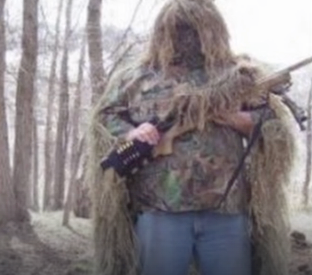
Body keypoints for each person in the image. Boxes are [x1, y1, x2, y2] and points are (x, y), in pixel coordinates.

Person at [88, 0, 295, 275]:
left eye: (196, 27)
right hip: (158, 208)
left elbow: (273, 128)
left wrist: (238, 120)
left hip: (227, 209)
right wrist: (131, 132)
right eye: (179, 27)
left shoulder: (239, 76)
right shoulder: (136, 77)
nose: (187, 35)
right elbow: (104, 117)